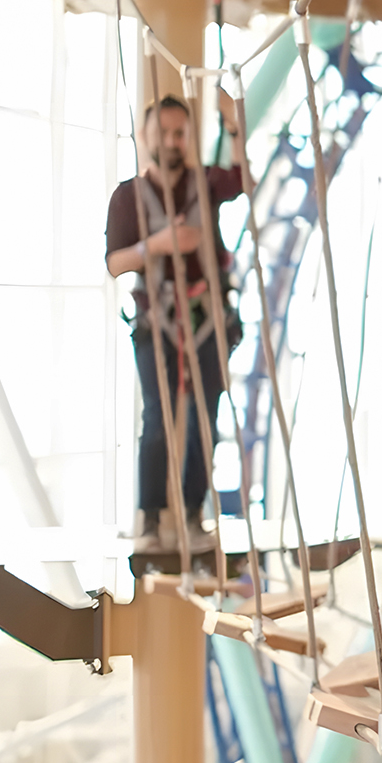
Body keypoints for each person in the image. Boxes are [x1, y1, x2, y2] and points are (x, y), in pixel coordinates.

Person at [105, 94, 243, 554]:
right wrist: (159, 244)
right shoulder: (128, 197)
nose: (171, 141)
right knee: (158, 419)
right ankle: (150, 518)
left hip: (206, 317)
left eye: (179, 133)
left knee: (207, 415)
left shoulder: (205, 182)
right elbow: (115, 263)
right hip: (155, 319)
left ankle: (191, 512)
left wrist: (235, 124)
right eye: (162, 133)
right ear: (146, 137)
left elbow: (244, 180)